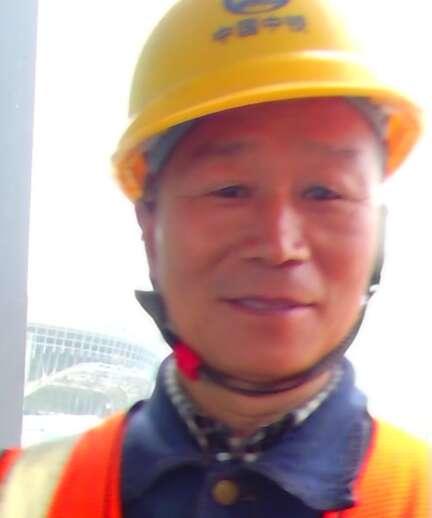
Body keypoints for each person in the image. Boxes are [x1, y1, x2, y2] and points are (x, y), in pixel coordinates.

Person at [0, 0, 429, 516]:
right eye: (229, 191)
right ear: (149, 224)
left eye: (325, 193)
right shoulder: (22, 496)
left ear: (377, 232)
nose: (279, 246)